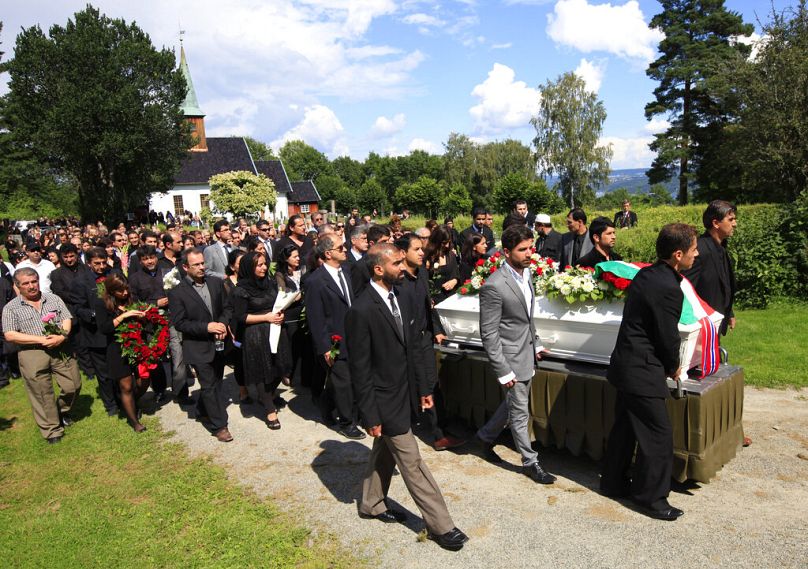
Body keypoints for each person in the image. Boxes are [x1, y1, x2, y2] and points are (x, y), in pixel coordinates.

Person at [346, 243, 468, 551]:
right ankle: (441, 525)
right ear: (378, 269)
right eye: (398, 263)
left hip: (406, 393)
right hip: (383, 400)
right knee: (412, 462)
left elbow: (411, 348)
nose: (404, 267)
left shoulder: (401, 295)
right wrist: (370, 415)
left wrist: (423, 390)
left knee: (384, 451)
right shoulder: (360, 310)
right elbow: (360, 370)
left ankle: (372, 503)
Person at [600, 223, 699, 521]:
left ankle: (613, 482)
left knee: (625, 428)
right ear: (678, 254)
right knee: (658, 435)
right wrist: (673, 366)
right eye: (693, 250)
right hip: (642, 370)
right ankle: (651, 498)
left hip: (625, 365)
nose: (697, 255)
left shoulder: (647, 274)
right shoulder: (669, 286)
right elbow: (666, 334)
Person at [475, 224, 557, 484]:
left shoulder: (527, 274)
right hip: (510, 359)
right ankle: (530, 462)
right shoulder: (494, 286)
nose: (529, 253)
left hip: (527, 352)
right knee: (520, 411)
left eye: (531, 247)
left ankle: (485, 436)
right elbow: (488, 333)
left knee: (512, 405)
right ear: (506, 252)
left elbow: (526, 318)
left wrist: (538, 342)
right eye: (522, 249)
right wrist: (503, 370)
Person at [395, 234, 465, 452]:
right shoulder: (397, 280)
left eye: (421, 248)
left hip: (424, 338)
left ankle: (439, 432)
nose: (421, 253)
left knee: (430, 383)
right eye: (416, 249)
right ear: (402, 253)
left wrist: (437, 329)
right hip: (406, 342)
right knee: (413, 384)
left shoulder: (422, 273)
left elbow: (429, 304)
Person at [2, 268, 82, 444]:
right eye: (26, 283)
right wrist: (41, 339)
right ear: (17, 286)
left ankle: (61, 411)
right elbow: (10, 334)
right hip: (32, 352)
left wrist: (62, 335)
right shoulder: (11, 308)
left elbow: (66, 318)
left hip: (60, 346)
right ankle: (52, 429)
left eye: (34, 281)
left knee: (73, 385)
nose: (32, 286)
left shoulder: (53, 298)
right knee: (41, 392)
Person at [168, 248, 234, 443]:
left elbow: (227, 308)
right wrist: (207, 327)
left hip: (219, 343)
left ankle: (201, 410)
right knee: (208, 385)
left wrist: (222, 323)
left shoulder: (215, 283)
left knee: (217, 381)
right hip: (197, 346)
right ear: (185, 267)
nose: (201, 267)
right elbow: (180, 323)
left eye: (202, 263)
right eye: (196, 265)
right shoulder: (177, 292)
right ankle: (219, 425)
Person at [303, 234, 365, 439]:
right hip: (334, 340)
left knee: (350, 377)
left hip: (353, 336)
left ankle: (326, 404)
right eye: (341, 247)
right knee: (343, 380)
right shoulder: (315, 281)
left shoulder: (346, 271)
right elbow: (316, 318)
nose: (345, 249)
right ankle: (347, 422)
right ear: (328, 253)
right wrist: (325, 348)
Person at [231, 252, 286, 430]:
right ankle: (270, 410)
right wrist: (266, 317)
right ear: (249, 268)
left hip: (275, 329)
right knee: (262, 371)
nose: (263, 268)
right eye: (259, 265)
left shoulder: (270, 284)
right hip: (254, 334)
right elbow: (240, 317)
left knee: (282, 367)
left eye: (264, 264)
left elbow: (277, 303)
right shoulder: (241, 290)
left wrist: (279, 314)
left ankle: (266, 395)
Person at [69, 247, 122, 416]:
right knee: (104, 372)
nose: (101, 266)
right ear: (89, 263)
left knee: (120, 369)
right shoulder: (81, 282)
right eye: (96, 263)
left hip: (115, 328)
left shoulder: (113, 274)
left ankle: (124, 397)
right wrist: (94, 314)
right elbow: (77, 308)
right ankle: (111, 404)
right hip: (95, 333)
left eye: (103, 262)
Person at [94, 274, 149, 432]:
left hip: (136, 345)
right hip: (116, 348)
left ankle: (131, 401)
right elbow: (104, 328)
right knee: (125, 386)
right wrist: (124, 316)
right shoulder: (102, 304)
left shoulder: (131, 300)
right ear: (111, 291)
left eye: (126, 289)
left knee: (143, 381)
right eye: (120, 291)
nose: (124, 293)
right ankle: (134, 422)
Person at [681, 200, 737, 337]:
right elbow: (685, 288)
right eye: (731, 220)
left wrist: (729, 311)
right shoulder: (699, 250)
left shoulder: (721, 248)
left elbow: (723, 283)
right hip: (700, 326)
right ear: (716, 223)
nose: (735, 224)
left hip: (715, 322)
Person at [274, 245, 304, 388]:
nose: (298, 259)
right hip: (290, 315)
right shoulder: (280, 274)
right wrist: (296, 295)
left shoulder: (302, 270)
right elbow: (283, 292)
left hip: (303, 312)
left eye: (298, 256)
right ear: (286, 259)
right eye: (294, 256)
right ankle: (288, 374)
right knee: (291, 346)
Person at [222, 249, 248, 404]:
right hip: (234, 327)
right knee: (239, 360)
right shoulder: (225, 284)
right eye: (241, 263)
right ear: (233, 267)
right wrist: (229, 329)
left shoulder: (252, 280)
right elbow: (225, 309)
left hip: (251, 323)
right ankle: (243, 389)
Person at [424, 225, 459, 305]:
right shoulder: (427, 257)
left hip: (450, 298)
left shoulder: (450, 254)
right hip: (434, 300)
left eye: (448, 242)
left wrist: (454, 281)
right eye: (444, 243)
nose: (447, 245)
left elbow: (456, 274)